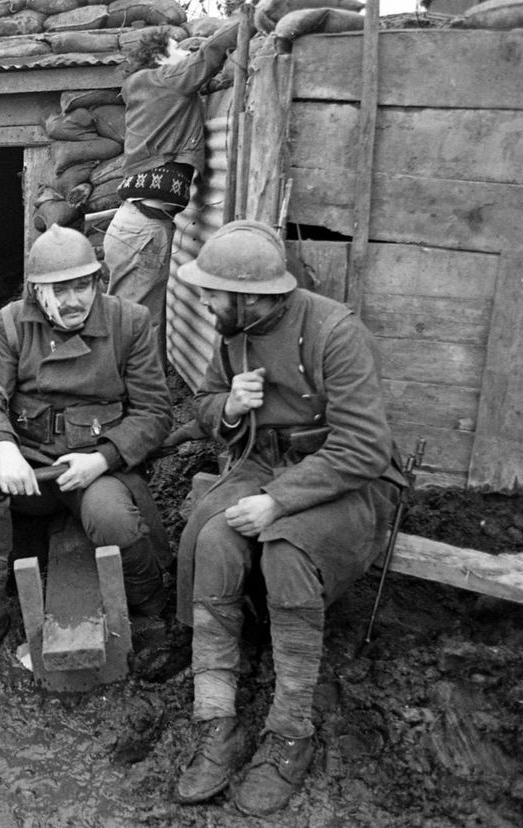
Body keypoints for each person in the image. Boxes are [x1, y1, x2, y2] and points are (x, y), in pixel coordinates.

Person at [172, 221, 404, 816]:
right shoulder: (235, 330)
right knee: (217, 539)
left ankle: (290, 730)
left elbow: (364, 448)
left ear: (250, 296)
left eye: (213, 293)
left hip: (344, 479)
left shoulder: (335, 332)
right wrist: (227, 405)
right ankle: (216, 719)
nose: (204, 300)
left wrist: (278, 502)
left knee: (284, 549)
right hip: (262, 462)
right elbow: (200, 407)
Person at [0, 224, 175, 684]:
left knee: (112, 516)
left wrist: (102, 459)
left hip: (94, 468)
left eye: (82, 286)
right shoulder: (11, 323)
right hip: (31, 470)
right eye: (58, 290)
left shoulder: (130, 323)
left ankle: (149, 614)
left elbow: (154, 413)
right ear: (35, 292)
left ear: (97, 282)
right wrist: (8, 452)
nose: (73, 301)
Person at [104, 14, 242, 366]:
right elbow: (211, 52)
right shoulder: (163, 80)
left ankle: (131, 390)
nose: (184, 54)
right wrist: (254, 17)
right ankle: (123, 395)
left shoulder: (156, 89)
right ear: (162, 60)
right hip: (144, 228)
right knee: (138, 323)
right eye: (176, 51)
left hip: (138, 224)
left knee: (135, 318)